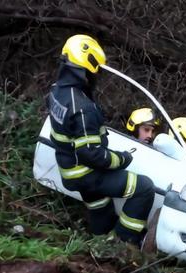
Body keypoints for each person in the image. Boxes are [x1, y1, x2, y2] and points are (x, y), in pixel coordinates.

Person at [46, 35, 154, 246]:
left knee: (100, 205)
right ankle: (121, 246)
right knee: (143, 188)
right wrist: (122, 159)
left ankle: (99, 245)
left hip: (68, 169)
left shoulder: (57, 91)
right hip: (85, 173)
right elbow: (92, 154)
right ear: (86, 69)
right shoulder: (84, 108)